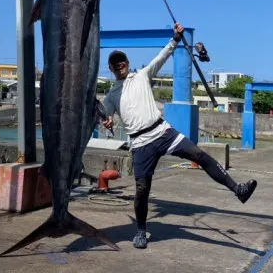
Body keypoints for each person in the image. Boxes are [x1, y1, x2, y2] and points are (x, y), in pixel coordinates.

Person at [102, 22, 257, 249]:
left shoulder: (142, 75)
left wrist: (175, 38)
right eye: (114, 63)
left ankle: (238, 190)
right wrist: (106, 121)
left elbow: (162, 56)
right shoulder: (111, 95)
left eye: (121, 61)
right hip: (140, 142)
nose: (119, 65)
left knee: (200, 155)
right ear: (111, 68)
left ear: (128, 63)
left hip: (162, 131)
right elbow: (107, 117)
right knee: (142, 189)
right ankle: (141, 231)